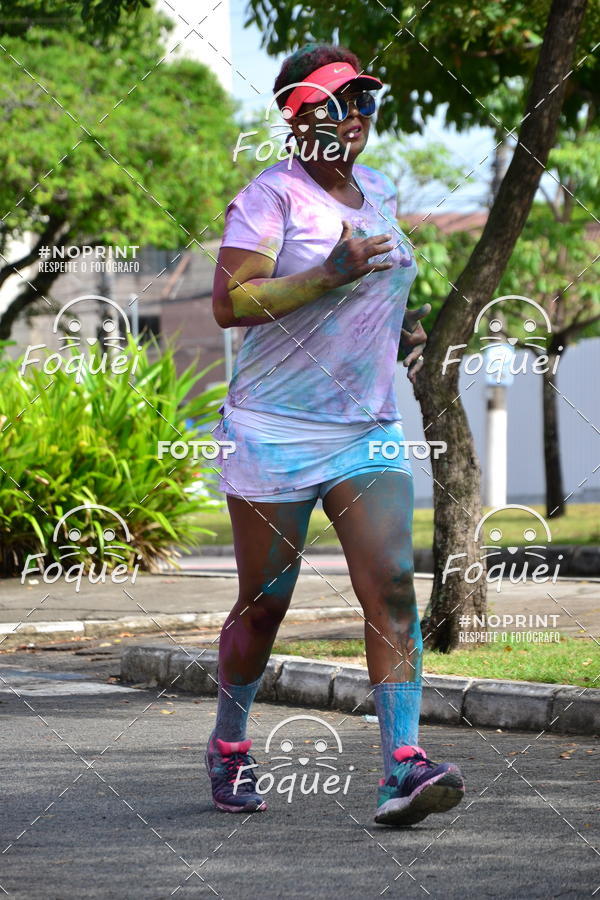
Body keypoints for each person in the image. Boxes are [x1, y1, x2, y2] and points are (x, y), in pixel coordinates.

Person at [207, 43, 465, 827]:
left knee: (392, 586)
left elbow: (385, 281)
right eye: (334, 104)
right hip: (274, 431)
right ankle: (229, 744)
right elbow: (230, 302)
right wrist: (330, 273)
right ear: (297, 116)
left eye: (363, 103)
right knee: (264, 606)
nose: (354, 117)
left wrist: (405, 329)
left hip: (366, 428)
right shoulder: (270, 197)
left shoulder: (379, 189)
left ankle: (402, 766)